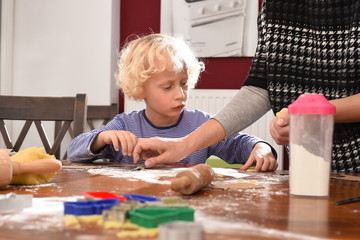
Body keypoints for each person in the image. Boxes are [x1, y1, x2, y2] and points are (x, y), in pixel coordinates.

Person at [133, 0, 360, 173]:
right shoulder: (275, 6)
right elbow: (261, 86)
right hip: (311, 164)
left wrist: (313, 114)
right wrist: (185, 145)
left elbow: (240, 144)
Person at [67, 33, 278, 171]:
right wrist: (102, 137)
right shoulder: (124, 125)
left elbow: (237, 143)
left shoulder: (199, 124)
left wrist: (261, 147)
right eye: (168, 87)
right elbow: (73, 153)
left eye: (184, 83)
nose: (180, 94)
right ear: (140, 89)